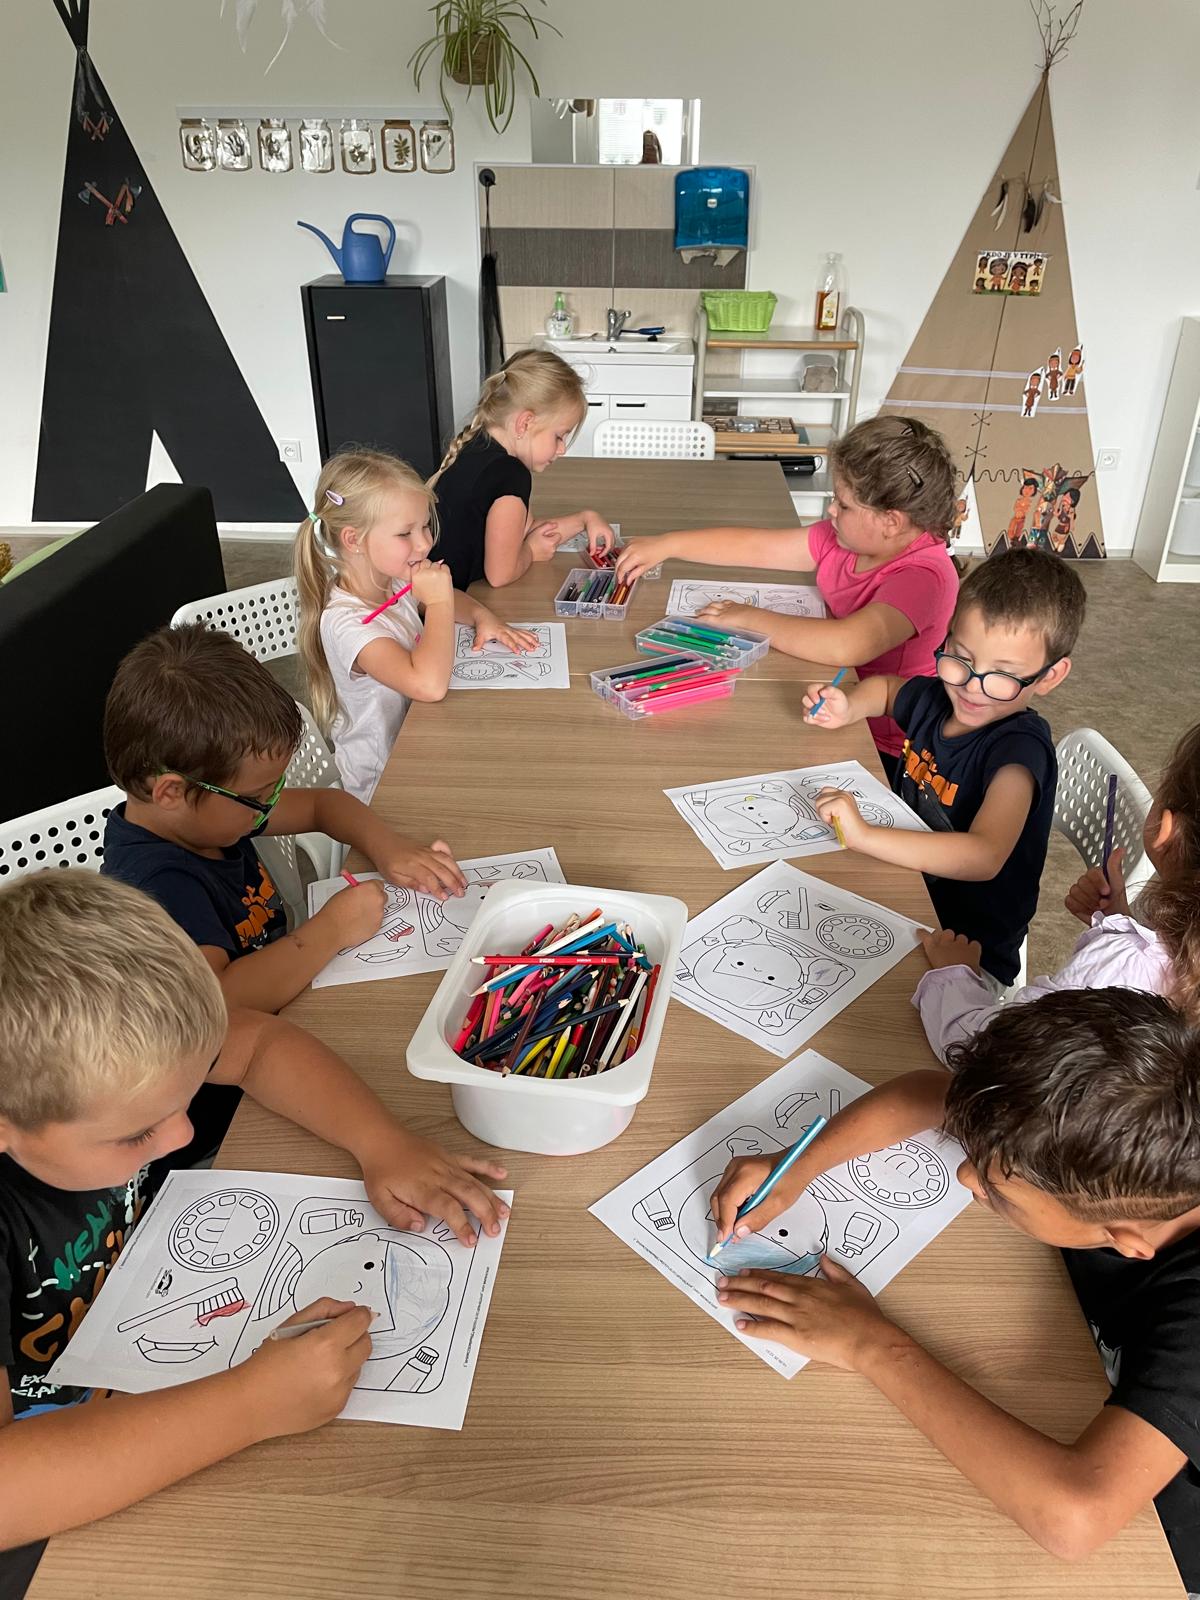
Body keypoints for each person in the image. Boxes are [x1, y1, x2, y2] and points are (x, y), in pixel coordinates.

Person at [0, 871, 507, 1562]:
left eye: (184, 1100)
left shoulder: (89, 1084)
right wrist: (251, 1404)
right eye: (137, 1133)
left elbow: (260, 1045)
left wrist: (380, 1142)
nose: (182, 1136)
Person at [708, 989, 1200, 1592]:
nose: (967, 1176)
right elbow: (927, 1092)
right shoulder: (1126, 1147)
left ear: (1126, 1241)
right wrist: (797, 1164)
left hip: (1168, 1530)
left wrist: (871, 1345)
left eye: (998, 1190)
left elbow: (1075, 1516)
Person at [102, 623, 465, 1024]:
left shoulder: (205, 815)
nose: (269, 805)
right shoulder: (156, 886)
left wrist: (390, 849)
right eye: (257, 796)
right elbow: (217, 1001)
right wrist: (333, 928)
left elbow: (323, 805)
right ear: (172, 792)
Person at [614, 416, 959, 781]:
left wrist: (747, 617)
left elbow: (847, 646)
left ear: (891, 522)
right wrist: (668, 544)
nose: (831, 511)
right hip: (833, 704)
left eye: (843, 505)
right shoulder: (846, 539)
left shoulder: (924, 576)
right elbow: (756, 547)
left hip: (889, 749)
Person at [804, 548, 1086, 989]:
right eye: (961, 658)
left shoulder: (1019, 752)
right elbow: (886, 691)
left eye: (1002, 675)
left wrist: (863, 836)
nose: (972, 688)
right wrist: (849, 706)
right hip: (905, 891)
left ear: (1049, 676)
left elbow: (984, 856)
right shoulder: (940, 696)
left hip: (967, 951)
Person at [915, 719, 1200, 1057]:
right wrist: (1121, 918)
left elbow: (987, 1053)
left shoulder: (1119, 966)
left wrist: (954, 975)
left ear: (1165, 831)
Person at [293, 448, 537, 802]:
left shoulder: (389, 579)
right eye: (405, 533)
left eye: (424, 526)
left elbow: (445, 597)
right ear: (354, 540)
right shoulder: (347, 625)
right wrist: (438, 603)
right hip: (383, 786)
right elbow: (428, 685)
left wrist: (483, 617)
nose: (425, 542)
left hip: (425, 744)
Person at [429, 350, 615, 592]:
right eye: (559, 436)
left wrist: (585, 519)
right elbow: (500, 575)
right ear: (525, 423)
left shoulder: (478, 444)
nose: (562, 450)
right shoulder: (510, 475)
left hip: (428, 589)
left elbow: (524, 529)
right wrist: (531, 551)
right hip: (447, 601)